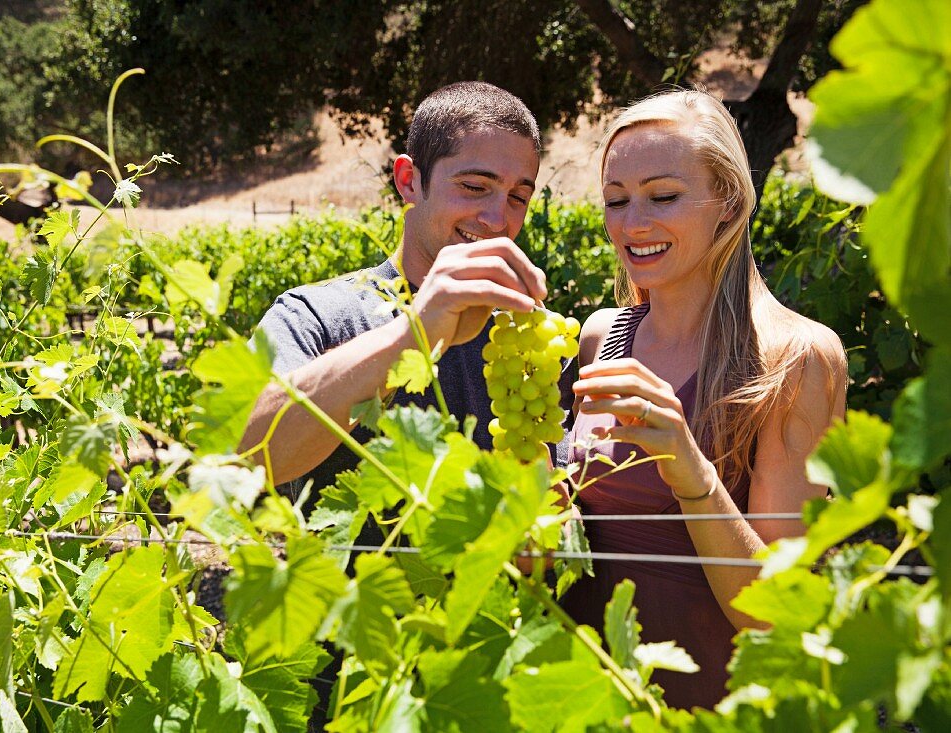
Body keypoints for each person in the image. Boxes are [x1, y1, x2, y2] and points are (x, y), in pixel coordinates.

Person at [562, 90, 847, 710]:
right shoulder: (602, 339)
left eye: (662, 196)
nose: (632, 223)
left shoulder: (795, 360)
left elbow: (777, 617)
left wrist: (692, 472)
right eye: (616, 200)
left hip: (712, 707)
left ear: (728, 200)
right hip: (587, 696)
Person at [243, 81, 572, 498]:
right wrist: (412, 334)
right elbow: (249, 453)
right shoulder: (315, 314)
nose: (496, 218)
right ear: (408, 181)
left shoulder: (525, 340)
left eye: (518, 197)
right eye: (474, 187)